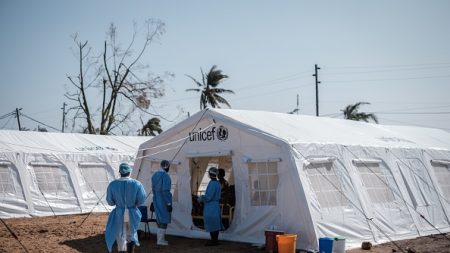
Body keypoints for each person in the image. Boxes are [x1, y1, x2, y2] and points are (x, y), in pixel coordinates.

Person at [105, 163, 146, 253]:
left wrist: (117, 203)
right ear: (129, 171)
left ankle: (122, 250)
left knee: (120, 234)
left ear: (119, 172)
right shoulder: (137, 184)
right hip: (132, 212)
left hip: (119, 212)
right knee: (131, 233)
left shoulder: (113, 184)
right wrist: (134, 204)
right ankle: (131, 251)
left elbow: (110, 201)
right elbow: (142, 199)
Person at [200, 167, 223, 246]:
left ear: (210, 174)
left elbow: (209, 197)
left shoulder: (212, 184)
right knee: (215, 223)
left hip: (211, 205)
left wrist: (201, 198)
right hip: (215, 205)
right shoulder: (217, 183)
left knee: (211, 223)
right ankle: (215, 240)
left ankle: (213, 241)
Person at [151, 159, 173, 246]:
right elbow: (165, 191)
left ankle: (161, 239)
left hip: (156, 198)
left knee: (159, 218)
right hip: (163, 200)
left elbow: (153, 188)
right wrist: (168, 204)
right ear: (167, 167)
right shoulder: (166, 176)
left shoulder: (155, 175)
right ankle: (160, 240)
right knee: (164, 219)